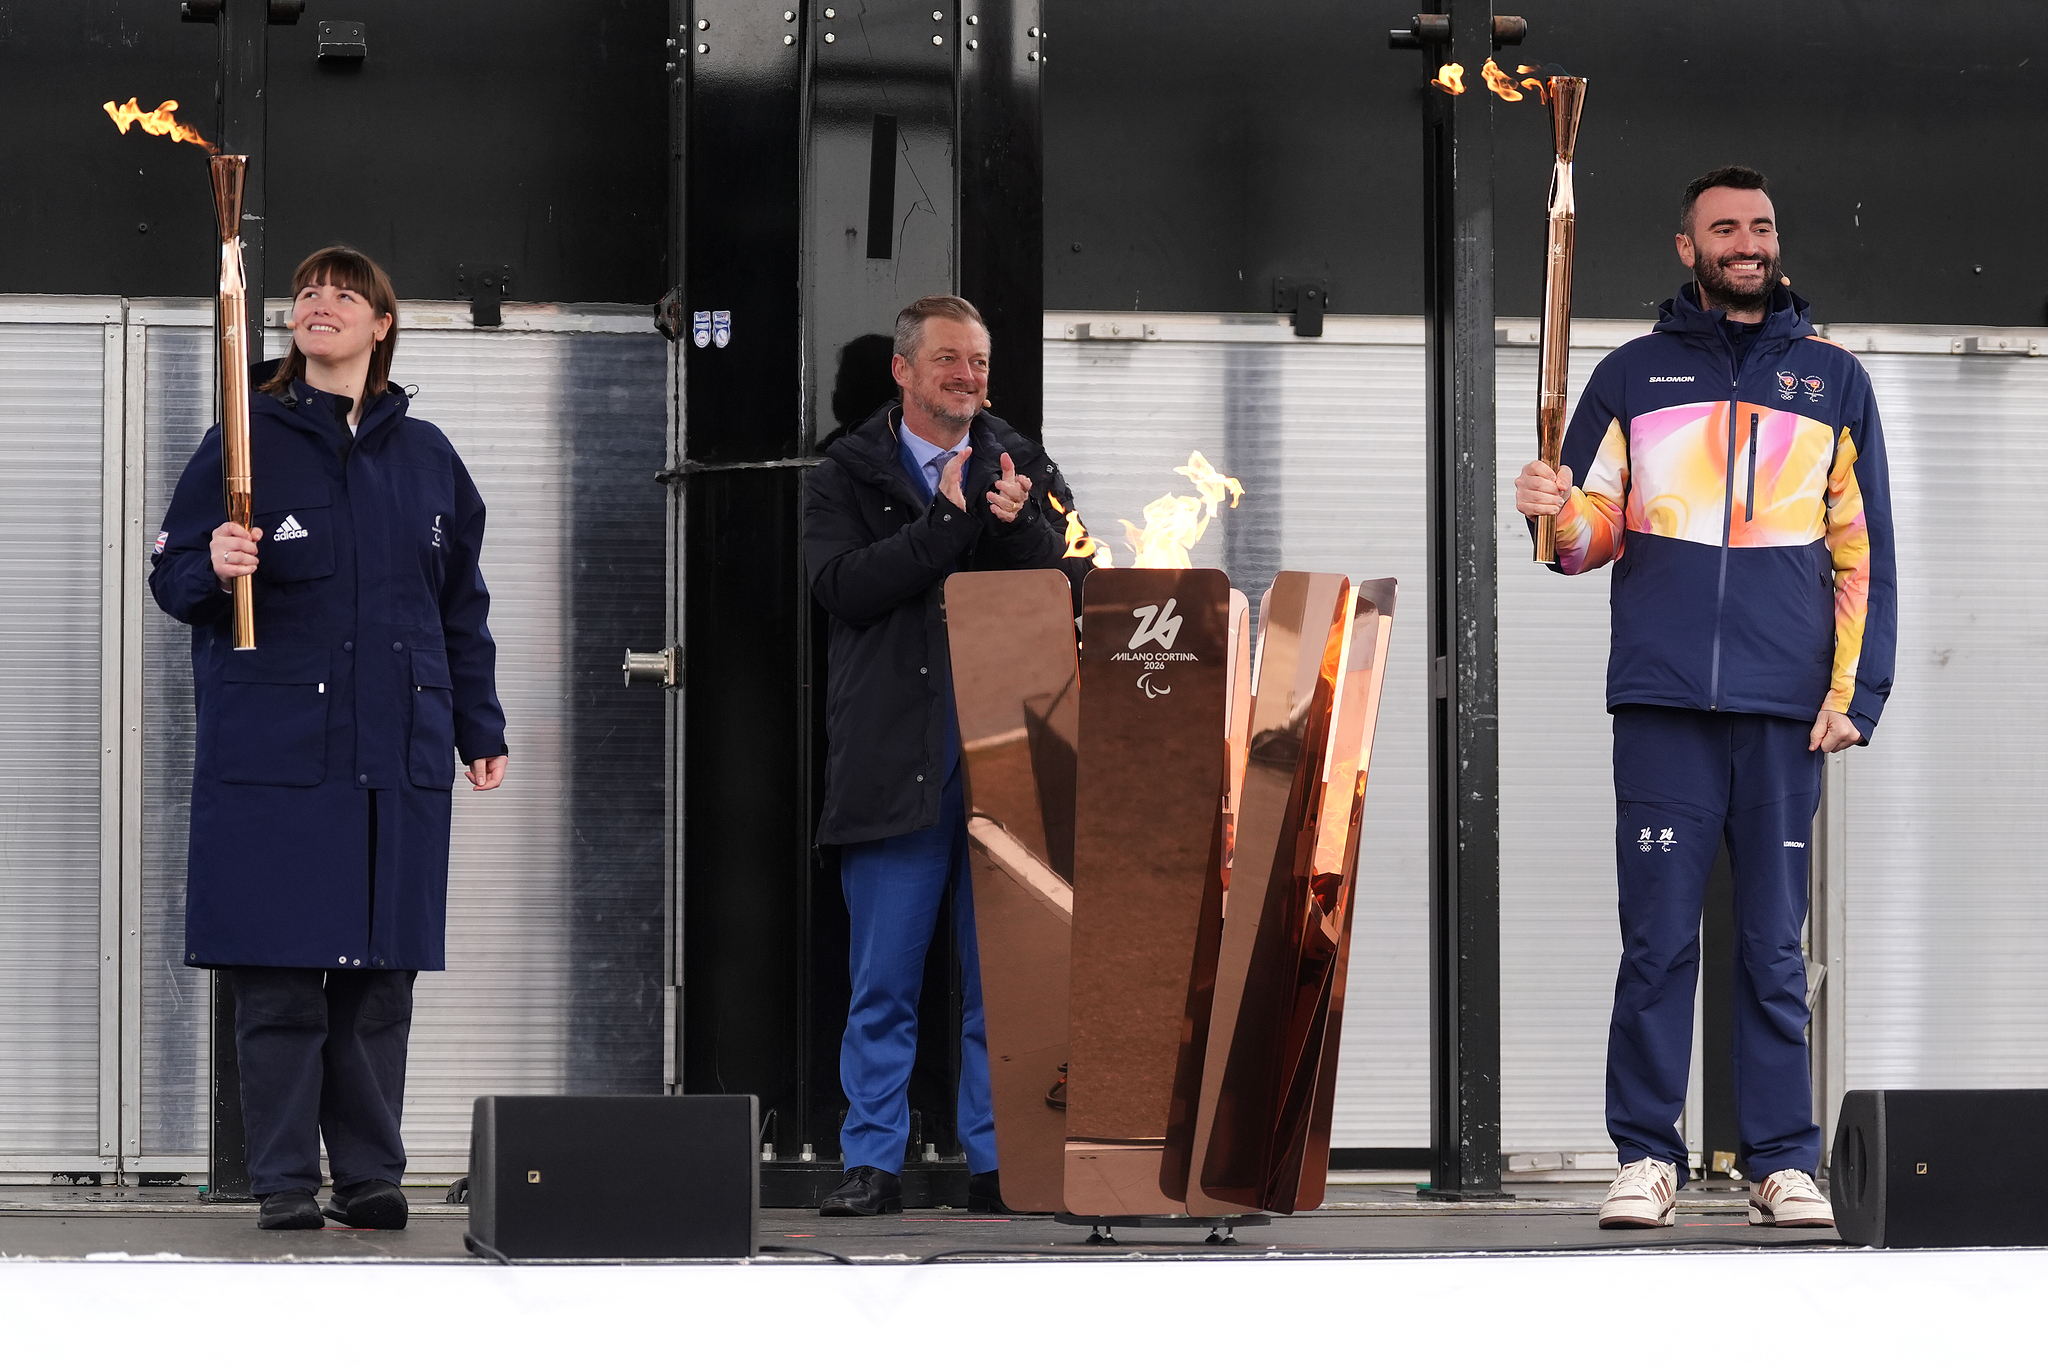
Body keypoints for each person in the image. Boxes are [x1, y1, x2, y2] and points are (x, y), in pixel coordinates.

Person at [1515, 166, 1895, 1231]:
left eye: (1760, 225)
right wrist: (1545, 511)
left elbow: (1862, 550)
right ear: (1685, 247)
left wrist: (1855, 689)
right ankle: (1645, 1155)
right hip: (1663, 703)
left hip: (1782, 710)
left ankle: (1781, 1159)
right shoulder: (1629, 377)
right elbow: (1585, 537)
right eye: (1723, 227)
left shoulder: (1830, 381)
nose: (1746, 241)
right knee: (1657, 941)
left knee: (1775, 946)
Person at [149, 246, 507, 1232]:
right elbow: (173, 578)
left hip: (395, 749)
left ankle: (368, 1174)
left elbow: (459, 606)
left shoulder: (428, 456)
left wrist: (478, 720)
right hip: (276, 749)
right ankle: (283, 1181)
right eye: (307, 293)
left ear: (381, 325)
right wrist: (214, 564)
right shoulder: (243, 441)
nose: (321, 303)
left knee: (376, 977)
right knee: (277, 977)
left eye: (345, 294)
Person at [802, 295, 1089, 1216]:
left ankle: (1000, 1163)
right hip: (895, 762)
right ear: (903, 370)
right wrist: (952, 523)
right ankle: (871, 1163)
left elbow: (1075, 584)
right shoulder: (844, 472)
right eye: (949, 361)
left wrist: (1018, 527)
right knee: (883, 980)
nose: (968, 377)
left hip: (1004, 753)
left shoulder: (1025, 461)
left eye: (979, 363)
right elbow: (843, 588)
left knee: (1001, 982)